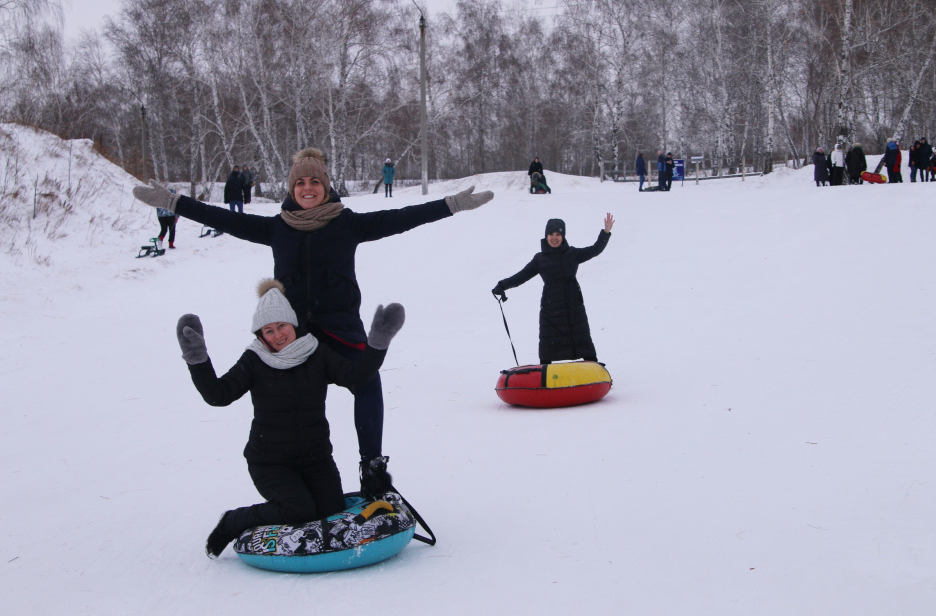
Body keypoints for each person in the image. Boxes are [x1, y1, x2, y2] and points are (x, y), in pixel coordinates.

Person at [133, 148, 493, 497]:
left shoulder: (347, 223)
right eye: (300, 182)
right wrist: (174, 201)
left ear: (326, 186)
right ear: (292, 189)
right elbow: (223, 218)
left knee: (367, 382)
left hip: (340, 329)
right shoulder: (277, 228)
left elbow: (402, 217)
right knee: (285, 399)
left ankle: (372, 468)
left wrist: (453, 204)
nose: (307, 188)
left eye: (315, 182)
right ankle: (291, 473)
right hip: (292, 335)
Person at [176, 279, 405, 558]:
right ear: (261, 335)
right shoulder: (254, 359)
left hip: (316, 459)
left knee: (330, 513)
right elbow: (218, 395)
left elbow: (357, 377)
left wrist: (377, 344)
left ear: (293, 324)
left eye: (281, 326)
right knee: (299, 510)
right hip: (271, 463)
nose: (277, 335)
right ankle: (233, 520)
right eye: (268, 330)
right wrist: (196, 357)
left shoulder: (316, 352)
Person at [491, 214, 613, 364]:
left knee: (581, 336)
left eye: (558, 234)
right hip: (551, 305)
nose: (554, 238)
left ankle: (594, 370)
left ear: (563, 236)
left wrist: (605, 233)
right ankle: (544, 375)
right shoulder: (540, 259)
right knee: (548, 340)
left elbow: (595, 250)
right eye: (551, 234)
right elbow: (522, 276)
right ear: (546, 236)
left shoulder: (573, 254)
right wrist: (502, 285)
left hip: (573, 304)